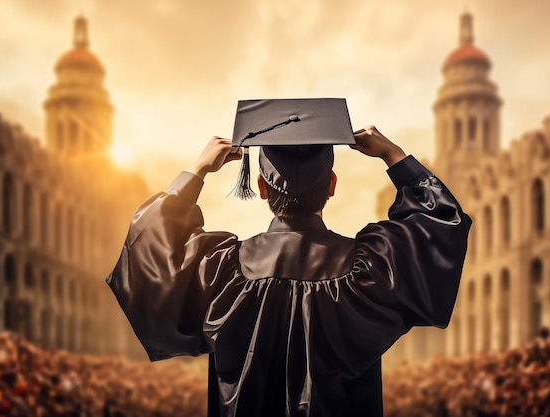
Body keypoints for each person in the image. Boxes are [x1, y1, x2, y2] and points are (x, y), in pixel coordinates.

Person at [106, 101, 472, 417]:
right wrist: (394, 156)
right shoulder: (372, 270)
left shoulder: (220, 273)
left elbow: (150, 246)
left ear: (262, 189)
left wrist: (197, 170)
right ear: (331, 184)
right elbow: (440, 223)